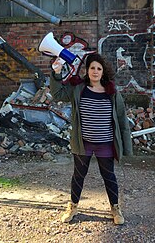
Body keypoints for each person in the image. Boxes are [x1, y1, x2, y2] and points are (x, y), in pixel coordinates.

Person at [50, 53, 133, 225]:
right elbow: (58, 94)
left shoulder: (112, 93)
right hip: (83, 143)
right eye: (92, 68)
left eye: (99, 68)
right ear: (87, 71)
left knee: (109, 176)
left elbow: (122, 120)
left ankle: (115, 208)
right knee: (78, 176)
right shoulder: (78, 89)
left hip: (106, 144)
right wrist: (56, 72)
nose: (95, 71)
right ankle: (73, 206)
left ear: (103, 72)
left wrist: (127, 146)